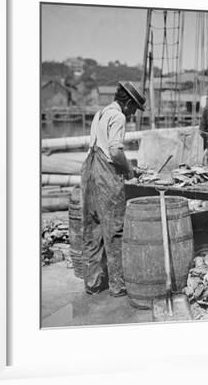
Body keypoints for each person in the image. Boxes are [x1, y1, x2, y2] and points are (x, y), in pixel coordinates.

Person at [81, 81, 145, 296]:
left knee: (93, 227)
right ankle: (118, 285)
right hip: (105, 174)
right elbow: (115, 151)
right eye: (134, 108)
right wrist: (129, 170)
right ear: (127, 104)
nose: (134, 112)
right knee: (115, 229)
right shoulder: (119, 116)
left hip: (89, 171)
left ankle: (93, 283)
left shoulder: (100, 113)